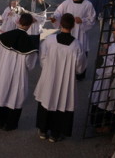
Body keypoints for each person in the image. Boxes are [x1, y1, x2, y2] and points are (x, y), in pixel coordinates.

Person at [34, 13, 87, 142]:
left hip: (49, 77)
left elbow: (42, 57)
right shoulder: (77, 45)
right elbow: (80, 67)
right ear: (73, 26)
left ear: (61, 24)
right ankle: (56, 133)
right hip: (65, 81)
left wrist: (48, 69)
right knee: (62, 102)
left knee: (47, 100)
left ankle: (43, 130)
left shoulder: (50, 40)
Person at [0, 13, 38, 131]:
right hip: (18, 73)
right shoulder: (29, 43)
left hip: (4, 70)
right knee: (14, 95)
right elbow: (30, 64)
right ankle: (10, 124)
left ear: (19, 21)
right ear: (30, 25)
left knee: (2, 91)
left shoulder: (7, 36)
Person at [51, 0, 96, 80]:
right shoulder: (67, 2)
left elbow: (92, 19)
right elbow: (59, 12)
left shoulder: (88, 5)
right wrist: (55, 17)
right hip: (69, 32)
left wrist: (82, 20)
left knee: (81, 53)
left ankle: (80, 75)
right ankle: (66, 74)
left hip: (81, 33)